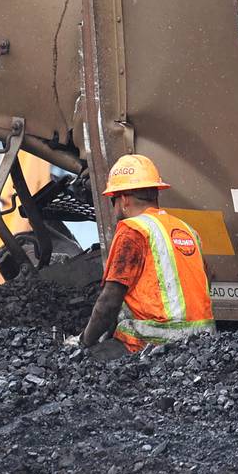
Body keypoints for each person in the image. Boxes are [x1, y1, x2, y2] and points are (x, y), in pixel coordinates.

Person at [68, 154, 215, 359]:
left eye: (113, 200)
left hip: (156, 342)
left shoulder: (133, 231)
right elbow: (206, 279)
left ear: (124, 199)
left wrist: (84, 342)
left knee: (88, 362)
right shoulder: (186, 229)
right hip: (203, 341)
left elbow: (110, 301)